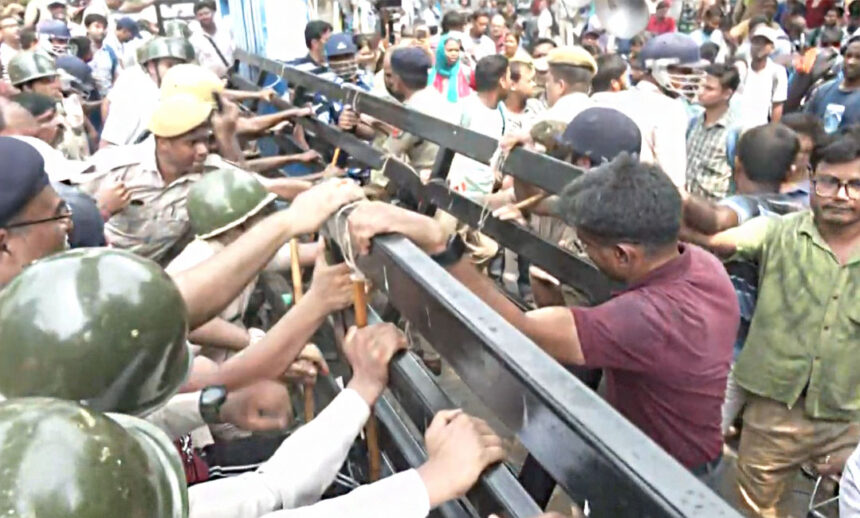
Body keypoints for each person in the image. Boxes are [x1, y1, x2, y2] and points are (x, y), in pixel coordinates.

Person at [348, 153, 738, 477]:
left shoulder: (645, 318)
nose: (583, 252)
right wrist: (525, 173)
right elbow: (553, 209)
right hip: (687, 454)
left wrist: (439, 243)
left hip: (667, 478)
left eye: (586, 247)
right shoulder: (700, 264)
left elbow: (520, 329)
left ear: (623, 254)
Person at [695, 128, 860, 517]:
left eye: (855, 185)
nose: (841, 195)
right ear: (809, 178)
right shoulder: (778, 231)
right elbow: (717, 239)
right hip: (774, 414)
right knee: (757, 507)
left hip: (851, 418)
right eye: (829, 182)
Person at [682, 123, 806, 439]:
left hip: (725, 345)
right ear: (791, 172)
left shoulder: (747, 204)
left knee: (700, 434)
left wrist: (678, 200)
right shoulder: (796, 210)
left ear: (736, 163)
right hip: (763, 344)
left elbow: (716, 220)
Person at [166, 168, 319, 365]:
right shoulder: (201, 257)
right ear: (240, 225)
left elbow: (287, 255)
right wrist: (255, 343)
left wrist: (336, 243)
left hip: (216, 353)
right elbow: (193, 323)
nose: (266, 219)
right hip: (183, 366)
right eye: (261, 215)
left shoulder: (240, 247)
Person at [100, 36, 195, 147]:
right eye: (169, 65)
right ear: (151, 66)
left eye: (181, 65)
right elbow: (108, 145)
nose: (176, 71)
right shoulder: (135, 94)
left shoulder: (182, 92)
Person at [383, 47, 459, 177]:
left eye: (392, 75)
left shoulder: (411, 111)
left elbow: (389, 150)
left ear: (398, 79)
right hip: (451, 175)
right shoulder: (436, 96)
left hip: (426, 179)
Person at [448, 54, 510, 200]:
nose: (511, 83)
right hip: (459, 189)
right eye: (509, 77)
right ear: (502, 81)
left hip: (485, 191)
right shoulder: (464, 108)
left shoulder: (502, 111)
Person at [685, 63, 741, 200]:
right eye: (700, 86)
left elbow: (740, 177)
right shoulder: (693, 123)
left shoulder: (734, 132)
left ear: (727, 94)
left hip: (715, 206)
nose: (700, 92)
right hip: (688, 204)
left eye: (709, 89)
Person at [805, 36, 860, 133]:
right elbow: (806, 126)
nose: (851, 62)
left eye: (858, 57)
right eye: (848, 56)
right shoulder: (822, 91)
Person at [188, 0, 235, 79]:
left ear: (213, 13)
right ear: (196, 17)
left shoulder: (226, 31)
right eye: (200, 15)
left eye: (207, 13)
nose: (204, 17)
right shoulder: (194, 39)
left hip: (231, 77)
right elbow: (194, 63)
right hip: (210, 80)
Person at [504, 55, 543, 133]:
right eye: (529, 81)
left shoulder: (536, 106)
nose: (534, 84)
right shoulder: (498, 115)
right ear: (513, 85)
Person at [83, 9, 117, 99]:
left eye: (104, 28)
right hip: (87, 98)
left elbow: (116, 75)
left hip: (107, 97)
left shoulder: (109, 51)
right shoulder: (81, 48)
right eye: (97, 27)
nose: (101, 31)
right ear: (87, 28)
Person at [429, 33, 471, 103]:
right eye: (450, 50)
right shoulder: (430, 74)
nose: (454, 54)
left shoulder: (466, 72)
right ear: (441, 51)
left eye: (456, 50)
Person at [0, 15, 21, 82]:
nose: (17, 28)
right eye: (11, 26)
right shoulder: (2, 53)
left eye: (17, 25)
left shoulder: (29, 46)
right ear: (1, 31)